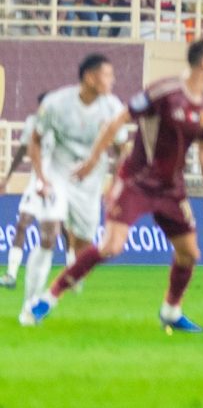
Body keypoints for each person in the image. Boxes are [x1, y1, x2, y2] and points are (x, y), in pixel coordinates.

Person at [26, 38, 203, 334]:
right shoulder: (164, 92)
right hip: (136, 182)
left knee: (190, 253)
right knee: (111, 246)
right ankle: (48, 298)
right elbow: (119, 119)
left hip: (171, 189)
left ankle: (171, 311)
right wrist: (93, 160)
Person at [14, 53, 121, 323]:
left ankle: (72, 268)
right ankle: (30, 304)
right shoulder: (56, 103)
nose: (113, 80)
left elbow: (121, 150)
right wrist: (41, 178)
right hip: (57, 175)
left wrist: (116, 185)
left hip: (90, 181)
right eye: (107, 75)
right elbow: (35, 140)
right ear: (90, 77)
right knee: (48, 236)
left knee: (84, 248)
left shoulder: (112, 107)